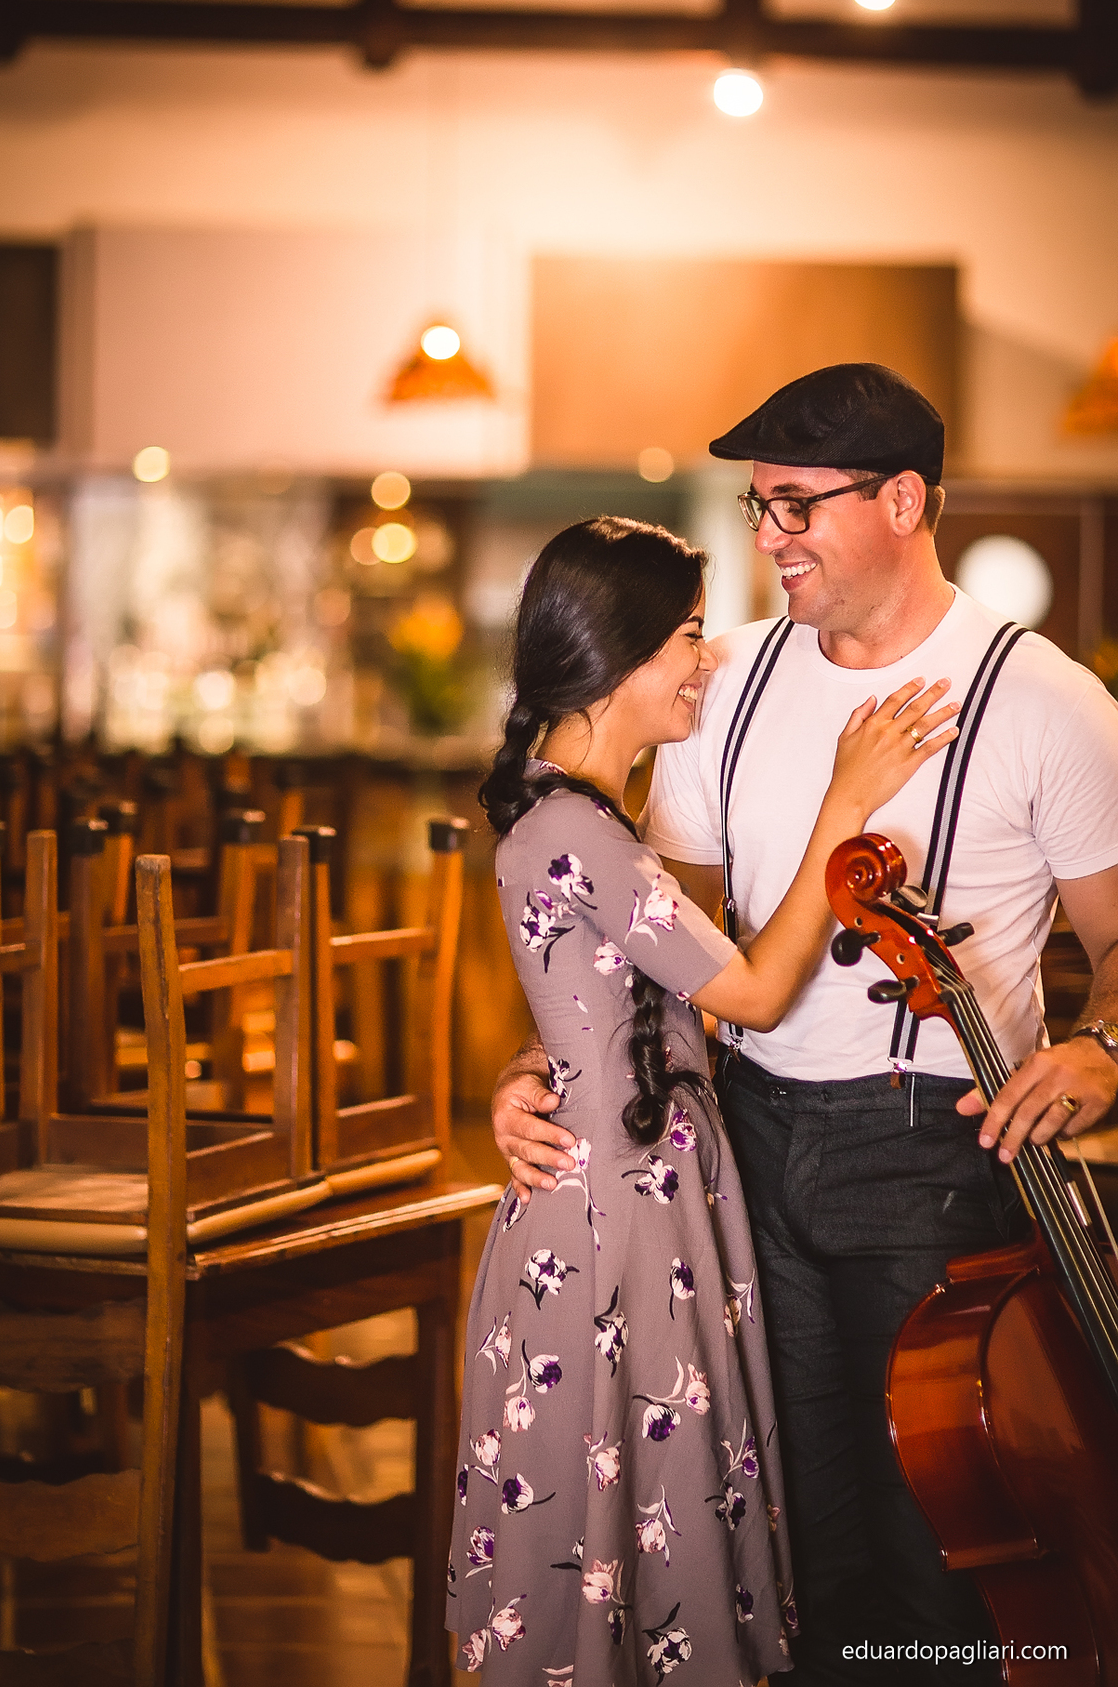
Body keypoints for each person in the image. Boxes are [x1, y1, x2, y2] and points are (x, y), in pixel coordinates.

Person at [491, 365, 1118, 1686]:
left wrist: (1101, 1049)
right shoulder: (725, 689)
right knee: (789, 1535)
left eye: (794, 505)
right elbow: (644, 951)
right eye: (758, 504)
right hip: (741, 1147)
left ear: (902, 499)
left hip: (936, 1158)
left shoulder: (1046, 700)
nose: (767, 534)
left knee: (937, 1544)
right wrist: (539, 1069)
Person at [449, 514, 959, 1684]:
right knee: (617, 1503)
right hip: (615, 1220)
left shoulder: (573, 815)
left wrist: (532, 1072)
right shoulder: (576, 827)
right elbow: (760, 992)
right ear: (622, 655)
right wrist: (849, 805)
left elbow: (625, 1008)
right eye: (687, 636)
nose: (706, 659)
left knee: (634, 1502)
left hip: (639, 1198)